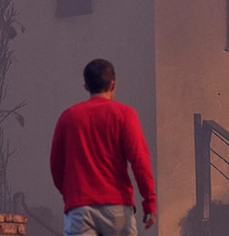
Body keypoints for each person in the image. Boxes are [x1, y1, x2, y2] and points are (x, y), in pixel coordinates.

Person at [50, 58, 157, 235]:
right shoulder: (124, 115)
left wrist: (72, 195)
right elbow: (139, 160)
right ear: (113, 85)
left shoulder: (68, 117)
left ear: (86, 86)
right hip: (117, 207)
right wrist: (149, 201)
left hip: (80, 208)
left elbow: (56, 165)